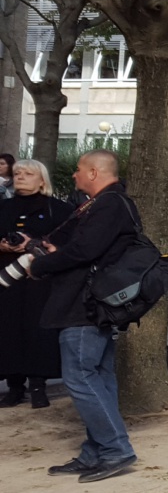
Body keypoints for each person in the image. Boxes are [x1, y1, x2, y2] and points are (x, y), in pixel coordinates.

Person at [20, 150, 143, 482]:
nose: (73, 175)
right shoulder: (109, 203)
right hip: (93, 303)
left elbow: (85, 251)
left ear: (92, 173)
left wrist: (41, 265)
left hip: (83, 305)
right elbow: (91, 250)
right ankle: (96, 452)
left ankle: (115, 449)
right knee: (99, 377)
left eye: (77, 170)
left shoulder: (109, 204)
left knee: (80, 377)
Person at [0, 159, 71, 408]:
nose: (20, 177)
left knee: (39, 329)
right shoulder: (3, 206)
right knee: (8, 328)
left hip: (41, 280)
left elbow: (68, 241)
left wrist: (35, 245)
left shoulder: (58, 209)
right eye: (17, 173)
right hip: (7, 279)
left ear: (42, 180)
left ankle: (38, 384)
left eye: (28, 173)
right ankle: (14, 385)